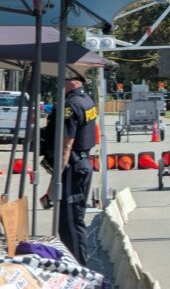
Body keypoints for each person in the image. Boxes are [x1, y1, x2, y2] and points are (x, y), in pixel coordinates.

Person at [40, 77, 97, 265]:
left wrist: (52, 186)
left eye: (63, 78)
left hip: (73, 167)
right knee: (72, 221)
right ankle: (78, 266)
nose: (60, 82)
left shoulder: (70, 105)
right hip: (82, 163)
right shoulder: (87, 100)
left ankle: (80, 270)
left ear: (73, 80)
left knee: (70, 223)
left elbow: (66, 146)